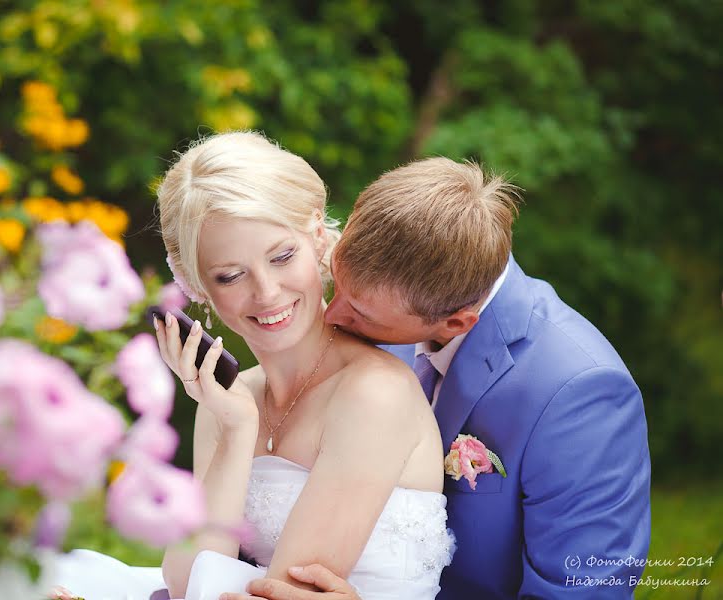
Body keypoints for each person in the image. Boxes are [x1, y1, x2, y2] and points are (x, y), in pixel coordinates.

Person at [224, 157, 651, 600]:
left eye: (361, 313)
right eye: (339, 287)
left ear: (455, 324)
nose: (333, 316)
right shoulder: (392, 300)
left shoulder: (579, 393)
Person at [53, 132, 454, 600]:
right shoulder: (229, 399)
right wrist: (238, 428)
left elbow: (282, 591)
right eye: (230, 275)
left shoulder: (374, 392)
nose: (266, 292)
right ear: (196, 286)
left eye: (282, 256)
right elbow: (184, 582)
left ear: (319, 240)